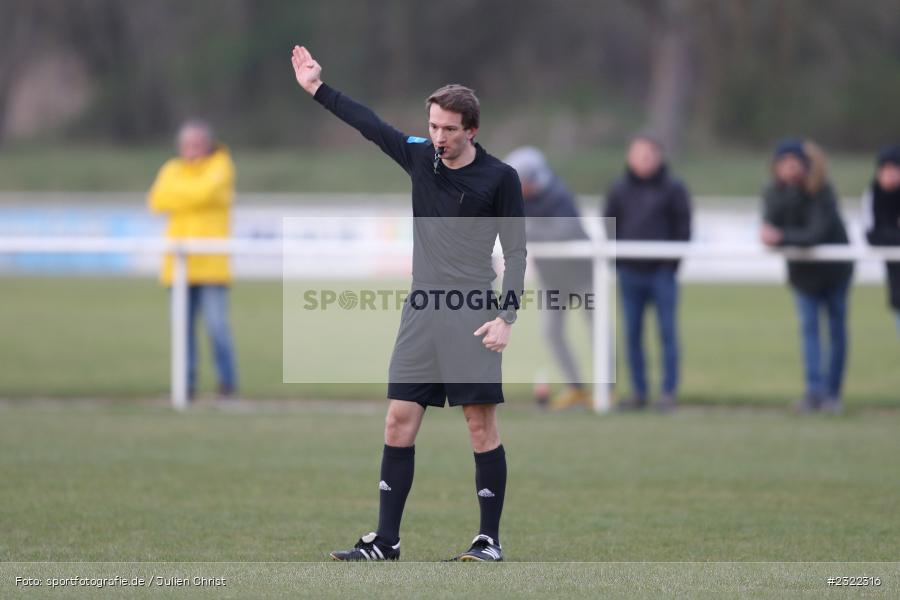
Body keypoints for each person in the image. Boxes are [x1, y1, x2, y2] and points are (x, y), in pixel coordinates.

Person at [291, 46, 526, 562]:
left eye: (449, 129)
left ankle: (489, 540)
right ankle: (386, 541)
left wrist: (506, 317)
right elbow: (371, 126)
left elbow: (515, 252)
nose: (439, 136)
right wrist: (317, 89)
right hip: (421, 311)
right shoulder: (420, 156)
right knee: (398, 420)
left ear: (472, 130)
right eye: (433, 126)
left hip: (472, 313)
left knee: (479, 425)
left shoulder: (500, 178)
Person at [760, 138, 853, 413]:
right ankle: (814, 393)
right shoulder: (773, 192)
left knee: (836, 332)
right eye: (784, 163)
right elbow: (770, 226)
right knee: (810, 332)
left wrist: (781, 237)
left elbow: (815, 234)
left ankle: (832, 395)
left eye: (795, 162)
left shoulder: (822, 191)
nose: (790, 168)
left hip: (835, 273)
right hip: (803, 276)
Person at [147, 119, 238, 400]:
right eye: (187, 144)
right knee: (182, 332)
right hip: (178, 264)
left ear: (208, 144)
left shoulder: (221, 165)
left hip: (211, 265)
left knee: (217, 328)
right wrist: (191, 195)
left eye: (197, 143)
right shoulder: (171, 168)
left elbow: (204, 192)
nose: (192, 149)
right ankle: (185, 385)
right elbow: (156, 201)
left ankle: (227, 384)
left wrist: (179, 194)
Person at [603, 135, 692, 412]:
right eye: (638, 154)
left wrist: (670, 265)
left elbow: (683, 227)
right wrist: (619, 262)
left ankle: (668, 392)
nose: (644, 159)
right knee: (632, 335)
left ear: (659, 157)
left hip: (662, 274)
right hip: (630, 273)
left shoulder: (674, 188)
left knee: (667, 333)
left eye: (649, 154)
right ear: (630, 157)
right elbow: (609, 225)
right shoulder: (618, 189)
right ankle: (638, 392)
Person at [504, 146, 593, 410]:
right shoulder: (519, 200)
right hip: (552, 280)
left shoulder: (558, 195)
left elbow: (563, 232)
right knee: (552, 333)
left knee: (598, 332)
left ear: (530, 180)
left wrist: (527, 230)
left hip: (582, 276)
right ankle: (577, 389)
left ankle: (606, 392)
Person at [861, 144, 900, 336]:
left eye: (894, 168)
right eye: (885, 169)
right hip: (895, 273)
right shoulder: (873, 195)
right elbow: (871, 236)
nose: (889, 174)